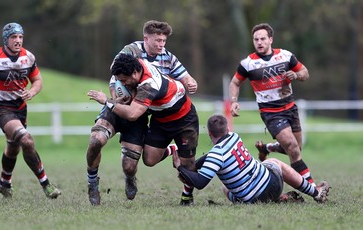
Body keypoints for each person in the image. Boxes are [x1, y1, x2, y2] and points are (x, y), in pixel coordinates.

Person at [85, 20, 197, 205]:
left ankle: (130, 178)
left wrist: (191, 82)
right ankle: (92, 182)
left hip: (139, 111)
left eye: (164, 41)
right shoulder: (131, 51)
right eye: (157, 41)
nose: (161, 45)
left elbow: (184, 76)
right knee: (96, 139)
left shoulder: (165, 61)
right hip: (117, 103)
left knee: (131, 165)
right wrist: (114, 97)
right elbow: (116, 72)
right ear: (146, 38)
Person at [0, 22, 61, 199]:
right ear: (5, 39)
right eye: (13, 37)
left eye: (20, 37)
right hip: (0, 110)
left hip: (20, 110)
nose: (18, 41)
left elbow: (37, 81)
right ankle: (46, 184)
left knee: (13, 146)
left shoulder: (28, 57)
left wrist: (32, 91)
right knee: (26, 140)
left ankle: (4, 183)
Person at [229, 23, 315, 186]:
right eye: (256, 39)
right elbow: (234, 83)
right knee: (292, 148)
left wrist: (296, 75)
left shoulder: (285, 56)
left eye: (262, 39)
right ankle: (311, 187)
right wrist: (233, 102)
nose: (259, 42)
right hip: (271, 112)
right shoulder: (248, 63)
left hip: (290, 107)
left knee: (296, 148)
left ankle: (267, 148)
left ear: (270, 40)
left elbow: (305, 73)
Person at [173, 114, 330, 203]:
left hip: (252, 200)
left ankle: (276, 199)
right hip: (273, 185)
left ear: (209, 133)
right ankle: (313, 191)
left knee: (225, 187)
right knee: (273, 162)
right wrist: (196, 164)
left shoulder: (216, 154)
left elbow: (200, 183)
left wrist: (181, 167)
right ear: (227, 129)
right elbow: (209, 158)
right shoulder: (234, 136)